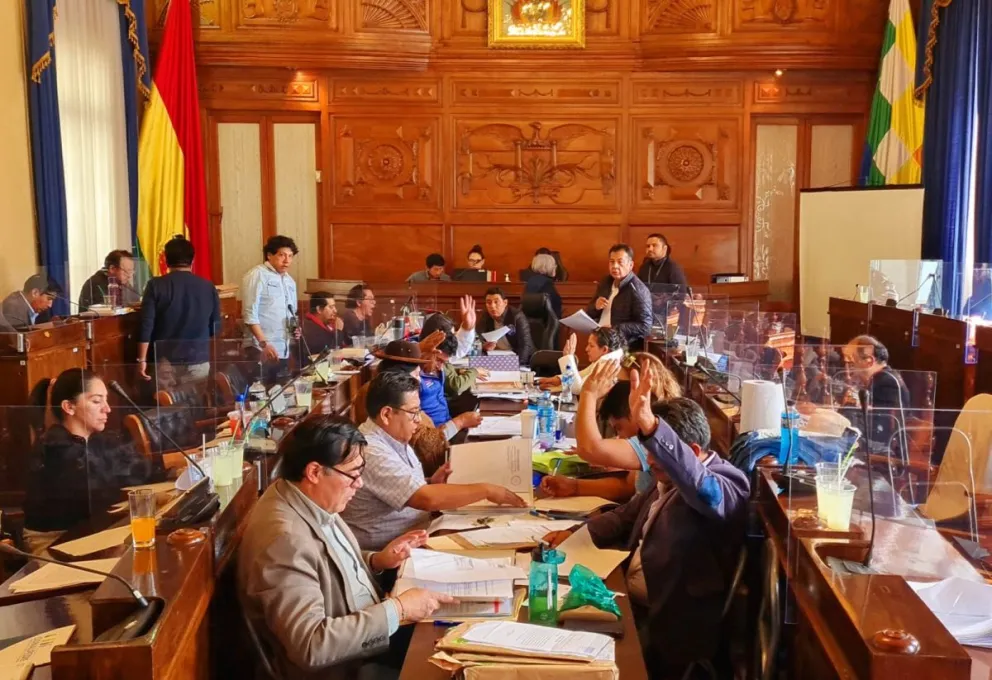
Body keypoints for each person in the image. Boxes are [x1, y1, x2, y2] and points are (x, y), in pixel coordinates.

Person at [545, 367, 749, 679]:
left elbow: (704, 492)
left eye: (653, 450)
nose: (647, 460)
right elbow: (623, 516)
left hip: (669, 628)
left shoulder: (726, 484)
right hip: (623, 599)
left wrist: (653, 428)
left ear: (691, 452)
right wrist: (573, 536)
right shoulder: (662, 478)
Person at [238, 414, 456, 680]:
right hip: (352, 666)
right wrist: (398, 610)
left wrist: (377, 561)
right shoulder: (285, 541)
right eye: (353, 474)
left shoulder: (300, 494)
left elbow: (324, 568)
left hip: (371, 630)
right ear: (315, 472)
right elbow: (311, 645)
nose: (359, 483)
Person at [340, 371, 526, 550]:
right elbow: (425, 499)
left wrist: (430, 482)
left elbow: (402, 488)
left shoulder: (392, 436)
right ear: (387, 414)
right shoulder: (371, 450)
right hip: (392, 552)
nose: (419, 420)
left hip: (419, 532)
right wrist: (487, 490)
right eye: (413, 412)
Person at [22, 369, 174, 553]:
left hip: (91, 532)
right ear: (69, 407)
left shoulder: (95, 439)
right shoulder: (56, 448)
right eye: (96, 401)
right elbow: (103, 489)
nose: (107, 408)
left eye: (106, 400)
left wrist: (172, 471)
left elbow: (133, 469)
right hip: (55, 545)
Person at [541, 356, 682, 502]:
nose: (618, 437)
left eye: (619, 428)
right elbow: (628, 486)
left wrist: (588, 394)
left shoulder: (655, 436)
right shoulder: (646, 435)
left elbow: (589, 449)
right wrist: (574, 486)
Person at [137, 236, 221, 384]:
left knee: (166, 404)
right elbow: (215, 327)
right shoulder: (208, 287)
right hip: (198, 359)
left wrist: (142, 359)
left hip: (164, 362)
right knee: (195, 405)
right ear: (192, 260)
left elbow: (146, 326)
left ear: (165, 260)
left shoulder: (155, 286)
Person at [242, 235, 300, 382]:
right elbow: (250, 315)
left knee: (280, 396)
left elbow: (292, 313)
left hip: (283, 349)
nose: (287, 260)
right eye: (282, 255)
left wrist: (296, 329)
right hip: (260, 349)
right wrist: (264, 344)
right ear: (269, 255)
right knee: (260, 396)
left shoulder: (290, 281)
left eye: (290, 256)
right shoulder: (257, 275)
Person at [843, 335, 911, 453]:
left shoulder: (888, 384)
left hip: (881, 458)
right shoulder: (879, 379)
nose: (846, 367)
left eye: (850, 361)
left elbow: (879, 433)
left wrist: (849, 407)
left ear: (868, 361)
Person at [418, 330, 484, 439]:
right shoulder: (413, 377)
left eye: (445, 362)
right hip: (435, 437)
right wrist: (461, 421)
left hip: (449, 427)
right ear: (428, 350)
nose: (440, 367)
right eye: (438, 360)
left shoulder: (439, 368)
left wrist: (460, 371)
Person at [585, 244, 653, 346]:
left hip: (620, 345)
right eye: (612, 262)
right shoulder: (605, 282)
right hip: (600, 340)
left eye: (620, 262)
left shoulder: (638, 289)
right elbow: (589, 312)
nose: (615, 266)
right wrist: (596, 306)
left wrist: (615, 328)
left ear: (630, 265)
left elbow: (645, 326)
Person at [537, 328, 625, 392]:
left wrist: (568, 358)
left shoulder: (607, 364)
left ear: (605, 349)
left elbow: (578, 388)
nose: (586, 349)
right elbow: (582, 375)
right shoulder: (606, 359)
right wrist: (558, 380)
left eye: (591, 345)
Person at [476, 287, 535, 364]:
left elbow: (525, 346)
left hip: (517, 358)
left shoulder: (517, 317)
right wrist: (484, 346)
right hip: (497, 358)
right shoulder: (486, 315)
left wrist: (517, 365)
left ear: (505, 303)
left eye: (496, 302)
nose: (492, 306)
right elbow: (477, 338)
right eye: (489, 302)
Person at [523, 252, 562, 319]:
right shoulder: (547, 284)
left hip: (532, 326)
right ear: (548, 266)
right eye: (554, 264)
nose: (556, 266)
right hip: (547, 325)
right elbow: (554, 312)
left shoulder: (530, 281)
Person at [303, 292, 343, 356]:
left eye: (334, 307)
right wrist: (338, 331)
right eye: (331, 307)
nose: (335, 310)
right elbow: (330, 352)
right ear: (319, 309)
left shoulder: (325, 323)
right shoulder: (311, 328)